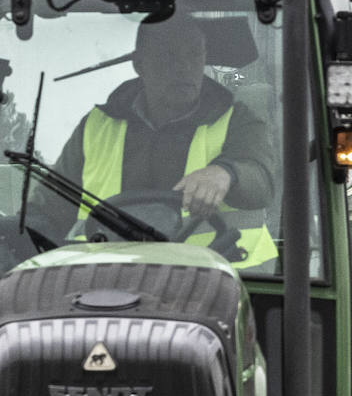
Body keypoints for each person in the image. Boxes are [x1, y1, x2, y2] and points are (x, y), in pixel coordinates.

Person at [35, 14, 276, 268]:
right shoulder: (97, 126)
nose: (184, 67)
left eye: (195, 54)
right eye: (169, 56)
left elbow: (262, 179)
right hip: (104, 283)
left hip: (223, 282)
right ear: (139, 64)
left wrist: (226, 173)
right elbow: (48, 208)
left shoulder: (236, 118)